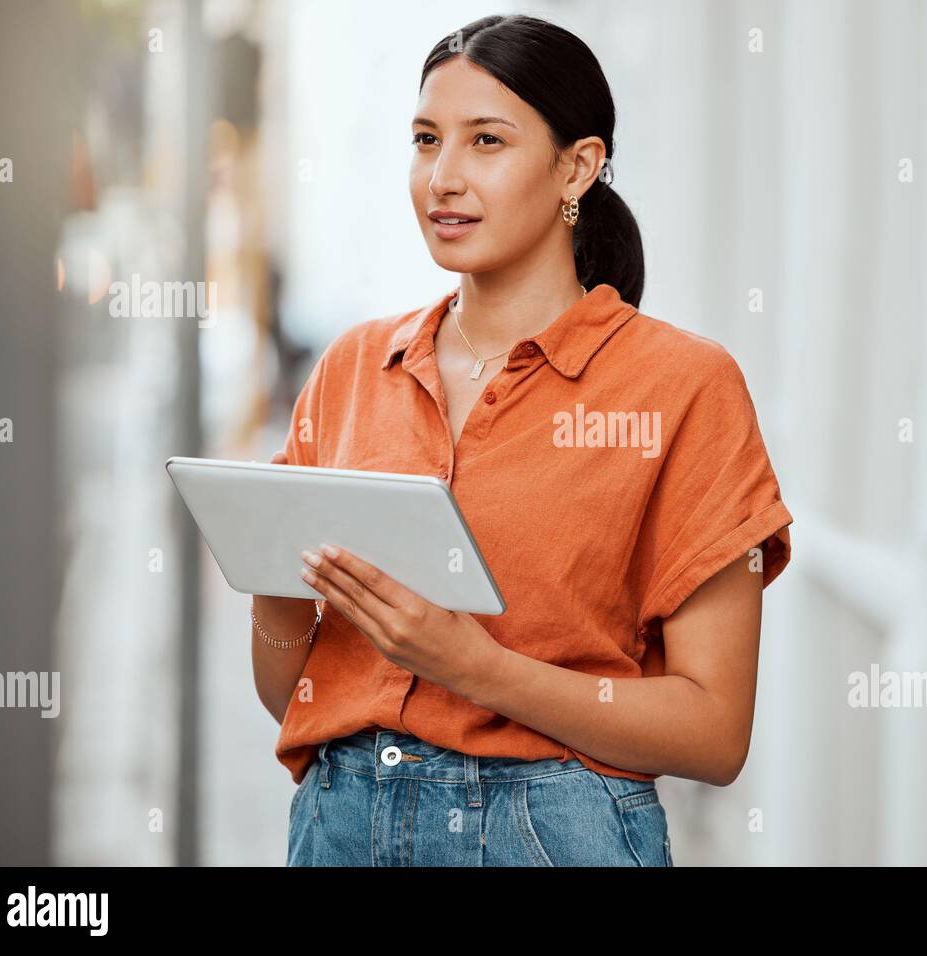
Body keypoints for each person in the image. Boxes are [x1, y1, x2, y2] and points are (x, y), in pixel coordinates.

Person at [251, 14, 793, 867]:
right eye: (426, 140)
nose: (444, 177)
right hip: (340, 820)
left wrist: (475, 667)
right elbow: (291, 691)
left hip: (548, 834)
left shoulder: (683, 385)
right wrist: (274, 588)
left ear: (577, 166)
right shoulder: (355, 367)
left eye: (487, 141)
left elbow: (715, 732)